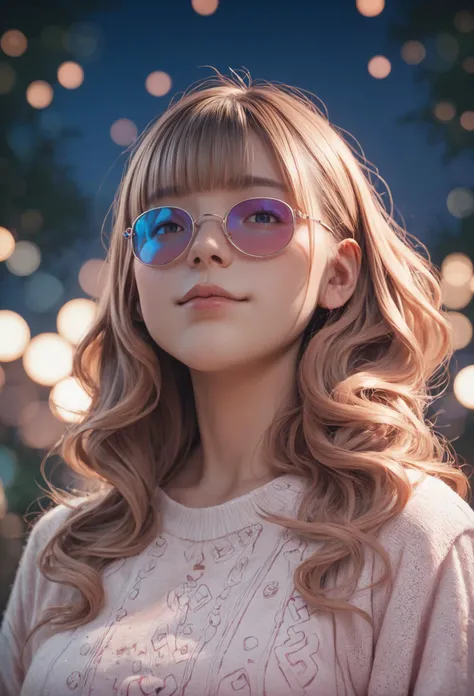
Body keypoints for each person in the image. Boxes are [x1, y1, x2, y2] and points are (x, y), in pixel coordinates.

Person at [1, 69, 473, 696]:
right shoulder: (64, 552)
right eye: (167, 225)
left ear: (339, 274)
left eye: (259, 216)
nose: (206, 248)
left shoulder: (416, 536)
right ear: (135, 284)